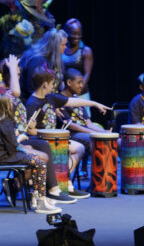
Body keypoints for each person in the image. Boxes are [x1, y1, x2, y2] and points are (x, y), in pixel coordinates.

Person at [1, 55, 76, 204]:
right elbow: (15, 94)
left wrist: (28, 129)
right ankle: (42, 191)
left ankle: (21, 185)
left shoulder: (8, 93)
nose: (18, 77)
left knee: (43, 146)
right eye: (16, 75)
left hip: (16, 138)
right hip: (8, 144)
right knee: (42, 154)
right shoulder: (5, 93)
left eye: (19, 74)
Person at [25, 66, 111, 198]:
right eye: (52, 84)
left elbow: (73, 101)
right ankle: (60, 184)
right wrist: (40, 131)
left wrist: (94, 103)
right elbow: (30, 131)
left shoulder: (51, 98)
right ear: (44, 84)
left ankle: (64, 183)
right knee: (63, 149)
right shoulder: (32, 103)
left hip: (53, 139)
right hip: (39, 141)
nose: (54, 86)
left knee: (79, 148)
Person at [0, 92, 62, 214]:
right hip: (6, 157)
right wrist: (20, 139)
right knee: (40, 163)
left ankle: (37, 197)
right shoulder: (5, 122)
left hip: (6, 155)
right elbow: (12, 147)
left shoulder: (3, 121)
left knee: (35, 159)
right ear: (7, 106)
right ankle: (41, 201)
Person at [59, 68, 110, 179]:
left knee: (109, 138)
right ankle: (99, 179)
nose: (82, 86)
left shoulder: (78, 100)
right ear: (69, 82)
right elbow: (71, 125)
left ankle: (107, 178)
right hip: (71, 134)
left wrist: (104, 132)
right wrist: (93, 133)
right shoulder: (60, 100)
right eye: (79, 83)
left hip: (84, 132)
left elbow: (89, 123)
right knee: (95, 140)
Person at [19, 28, 67, 99]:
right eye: (63, 45)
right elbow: (32, 89)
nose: (65, 47)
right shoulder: (37, 61)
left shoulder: (55, 59)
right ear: (54, 46)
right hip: (33, 103)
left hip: (50, 101)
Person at [62, 19, 94, 117]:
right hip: (65, 93)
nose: (77, 37)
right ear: (67, 33)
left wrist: (77, 91)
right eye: (73, 33)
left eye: (79, 34)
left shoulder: (85, 51)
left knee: (84, 120)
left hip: (80, 93)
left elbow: (87, 74)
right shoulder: (62, 49)